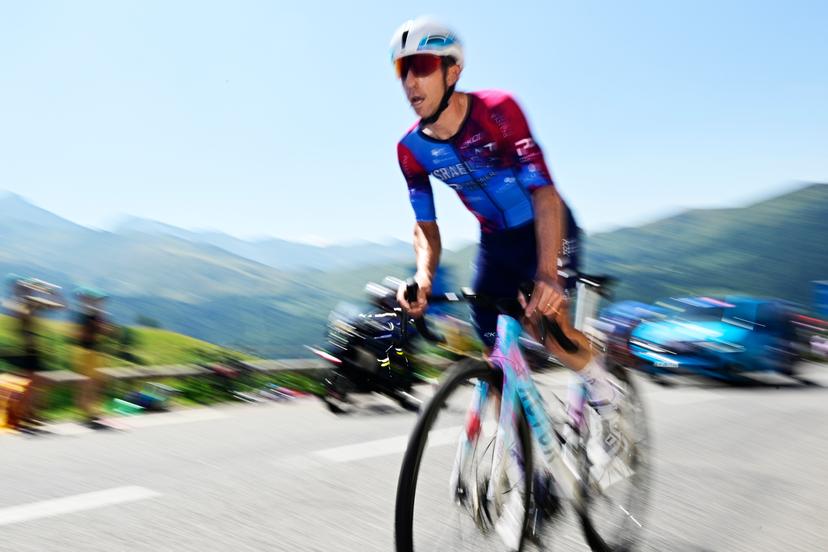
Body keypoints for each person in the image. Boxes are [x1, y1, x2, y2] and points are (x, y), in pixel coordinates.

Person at [389, 18, 621, 429]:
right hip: (496, 243)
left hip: (545, 227)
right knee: (496, 359)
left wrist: (547, 273)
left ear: (452, 70)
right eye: (402, 70)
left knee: (547, 328)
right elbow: (424, 223)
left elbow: (543, 191)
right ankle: (525, 468)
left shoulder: (497, 111)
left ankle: (599, 380)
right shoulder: (411, 149)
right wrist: (424, 277)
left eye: (421, 66)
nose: (411, 82)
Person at [73, 287, 112, 429]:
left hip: (93, 352)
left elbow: (106, 330)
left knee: (97, 382)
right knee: (88, 383)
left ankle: (91, 410)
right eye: (97, 300)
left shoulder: (95, 314)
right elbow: (86, 333)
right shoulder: (86, 314)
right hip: (86, 352)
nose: (99, 303)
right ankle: (87, 411)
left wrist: (100, 311)